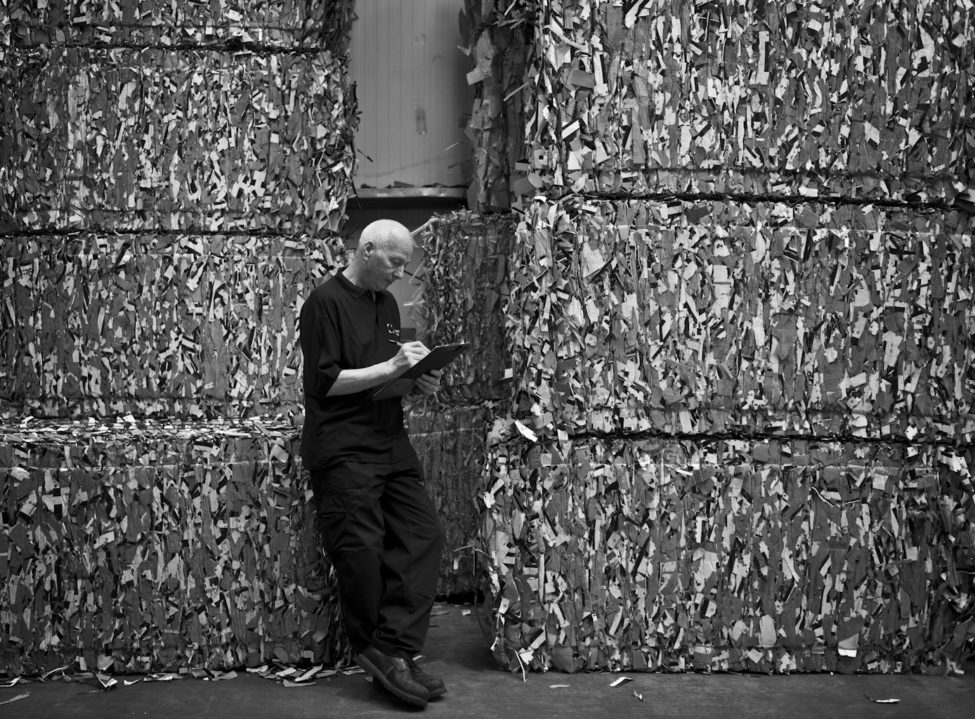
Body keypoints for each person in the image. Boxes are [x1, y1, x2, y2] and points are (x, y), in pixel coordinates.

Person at [299, 219, 445, 708]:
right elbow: (326, 382)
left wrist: (417, 379)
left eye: (406, 265)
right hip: (343, 447)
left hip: (389, 439)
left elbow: (388, 372)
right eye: (395, 262)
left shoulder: (386, 304)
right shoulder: (323, 303)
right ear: (366, 249)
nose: (401, 274)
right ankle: (376, 652)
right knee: (361, 552)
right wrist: (393, 367)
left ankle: (396, 647)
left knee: (423, 534)